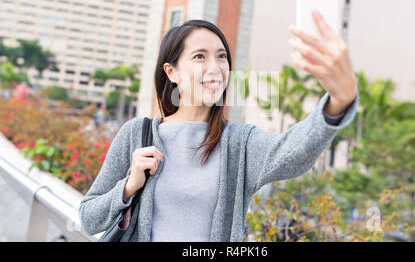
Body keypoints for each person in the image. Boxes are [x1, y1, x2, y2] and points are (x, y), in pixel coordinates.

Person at [79, 13, 359, 242]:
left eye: (221, 56)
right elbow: (89, 219)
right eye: (200, 56)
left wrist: (339, 101)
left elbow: (291, 154)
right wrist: (128, 187)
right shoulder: (136, 134)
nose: (215, 67)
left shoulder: (239, 143)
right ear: (171, 72)